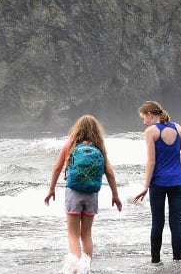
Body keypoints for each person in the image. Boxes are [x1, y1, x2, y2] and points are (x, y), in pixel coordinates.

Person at [45, 115, 123, 272]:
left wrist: (51, 189)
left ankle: (75, 267)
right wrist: (115, 195)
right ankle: (85, 268)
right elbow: (110, 173)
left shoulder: (70, 145)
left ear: (77, 129)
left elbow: (57, 167)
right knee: (86, 234)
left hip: (74, 193)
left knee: (73, 235)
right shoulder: (99, 147)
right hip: (92, 195)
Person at [132, 100, 181, 263]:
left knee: (157, 222)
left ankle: (156, 261)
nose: (144, 122)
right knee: (176, 221)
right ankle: (177, 260)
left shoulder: (151, 132)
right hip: (177, 181)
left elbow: (151, 161)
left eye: (143, 118)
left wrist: (145, 186)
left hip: (158, 183)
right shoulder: (178, 128)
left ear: (150, 115)